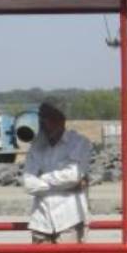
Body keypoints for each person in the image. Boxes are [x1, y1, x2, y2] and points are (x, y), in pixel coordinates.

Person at [21, 101, 93, 244]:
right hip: (41, 222)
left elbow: (73, 175)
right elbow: (28, 184)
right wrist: (68, 185)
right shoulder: (36, 146)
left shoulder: (78, 143)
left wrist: (42, 178)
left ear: (62, 120)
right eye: (44, 119)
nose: (47, 124)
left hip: (70, 220)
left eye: (51, 118)